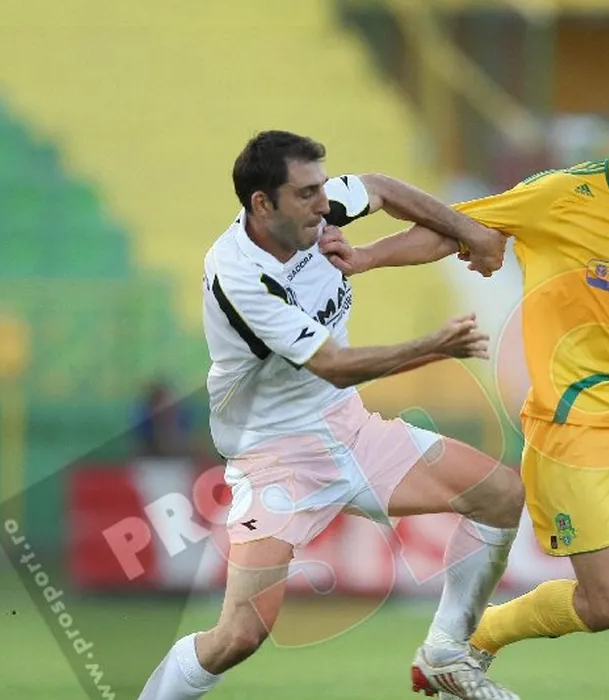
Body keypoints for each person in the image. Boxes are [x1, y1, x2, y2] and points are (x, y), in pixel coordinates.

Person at [322, 65, 609, 700]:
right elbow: (453, 229)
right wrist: (369, 257)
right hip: (570, 438)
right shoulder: (559, 195)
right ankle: (477, 637)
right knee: (608, 604)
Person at [137, 130, 525, 700]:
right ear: (262, 204)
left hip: (350, 429)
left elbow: (382, 188)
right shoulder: (240, 275)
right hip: (275, 459)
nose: (324, 204)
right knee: (239, 636)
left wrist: (469, 234)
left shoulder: (313, 214)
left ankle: (445, 652)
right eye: (306, 194)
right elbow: (335, 366)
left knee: (500, 496)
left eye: (322, 188)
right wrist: (434, 345)